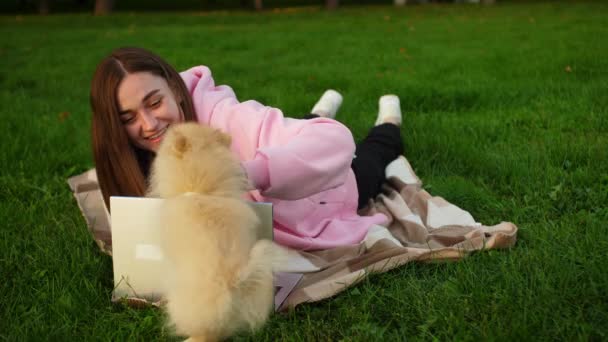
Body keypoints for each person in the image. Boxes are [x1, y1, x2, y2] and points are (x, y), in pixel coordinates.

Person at [90, 46, 404, 250]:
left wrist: (240, 174)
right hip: (286, 156)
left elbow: (334, 142)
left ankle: (389, 118)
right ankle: (320, 109)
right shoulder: (126, 157)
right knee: (298, 126)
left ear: (174, 88)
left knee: (373, 155)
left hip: (321, 191)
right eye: (128, 117)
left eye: (155, 103)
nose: (148, 125)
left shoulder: (225, 117)